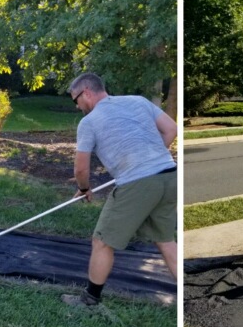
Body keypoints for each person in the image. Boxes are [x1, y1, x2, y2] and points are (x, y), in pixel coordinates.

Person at [62, 72, 178, 307]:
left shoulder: (89, 122)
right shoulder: (138, 101)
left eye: (76, 100)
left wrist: (84, 189)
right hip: (169, 176)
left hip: (138, 183)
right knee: (165, 240)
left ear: (87, 93)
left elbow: (81, 169)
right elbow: (171, 130)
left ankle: (90, 301)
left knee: (102, 242)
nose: (77, 107)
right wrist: (152, 159)